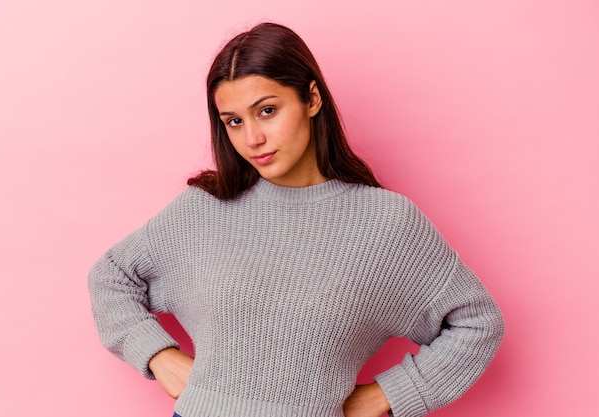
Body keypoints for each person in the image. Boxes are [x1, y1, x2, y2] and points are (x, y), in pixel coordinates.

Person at [88, 22, 504, 417]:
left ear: (312, 99)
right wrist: (158, 355)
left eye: (266, 110)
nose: (252, 139)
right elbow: (110, 276)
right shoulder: (205, 209)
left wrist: (388, 395)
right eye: (234, 121)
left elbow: (477, 322)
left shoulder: (386, 225)